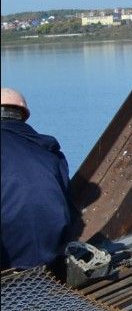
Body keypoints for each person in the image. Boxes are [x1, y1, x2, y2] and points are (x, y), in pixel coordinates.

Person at [1, 87, 76, 270]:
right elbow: (67, 204)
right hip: (49, 256)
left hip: (8, 256)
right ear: (23, 116)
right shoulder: (49, 151)